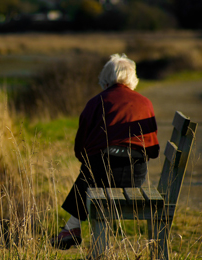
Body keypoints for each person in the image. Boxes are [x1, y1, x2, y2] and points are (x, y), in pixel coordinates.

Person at [51, 53, 160, 249]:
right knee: (92, 170)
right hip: (135, 178)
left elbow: (80, 150)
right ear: (132, 78)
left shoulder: (95, 103)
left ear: (105, 79)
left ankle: (72, 227)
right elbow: (153, 151)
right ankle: (72, 228)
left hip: (99, 177)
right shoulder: (146, 103)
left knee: (89, 170)